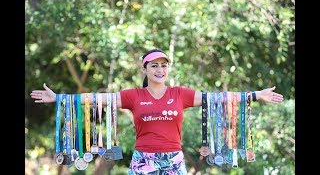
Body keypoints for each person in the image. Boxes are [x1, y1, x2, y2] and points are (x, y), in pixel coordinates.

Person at [30, 49, 284, 174]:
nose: (160, 69)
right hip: (143, 161)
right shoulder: (133, 95)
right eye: (154, 65)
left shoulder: (180, 94)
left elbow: (217, 98)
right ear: (145, 69)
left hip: (174, 160)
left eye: (164, 65)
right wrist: (60, 98)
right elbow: (97, 98)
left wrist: (254, 95)